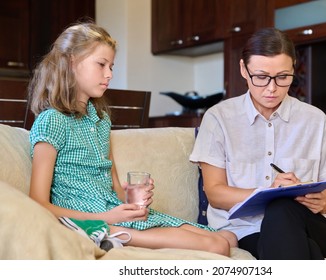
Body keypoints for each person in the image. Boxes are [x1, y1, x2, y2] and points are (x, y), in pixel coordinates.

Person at [28, 21, 237, 256]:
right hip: (95, 220)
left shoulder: (101, 121)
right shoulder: (52, 121)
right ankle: (107, 235)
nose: (109, 74)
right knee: (218, 245)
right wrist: (105, 218)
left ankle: (118, 233)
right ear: (71, 62)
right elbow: (38, 203)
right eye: (101, 64)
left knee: (229, 237)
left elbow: (114, 188)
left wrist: (133, 196)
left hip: (113, 211)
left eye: (111, 66)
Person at [189, 27, 326, 260]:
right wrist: (267, 193)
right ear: (243, 69)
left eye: (283, 77)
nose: (272, 89)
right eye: (261, 77)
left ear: (293, 69)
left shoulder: (314, 119)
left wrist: (321, 201)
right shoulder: (219, 118)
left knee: (282, 208)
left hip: (310, 223)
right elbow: (215, 194)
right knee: (288, 229)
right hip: (247, 229)